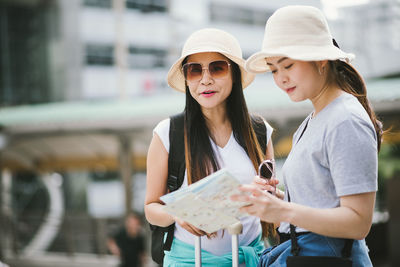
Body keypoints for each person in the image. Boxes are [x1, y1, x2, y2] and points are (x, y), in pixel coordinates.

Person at [231, 5, 383, 267]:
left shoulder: (345, 119)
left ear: (320, 58)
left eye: (287, 65)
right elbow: (318, 203)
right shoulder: (313, 119)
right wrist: (271, 200)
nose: (281, 79)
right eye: (274, 69)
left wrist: (282, 210)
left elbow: (359, 222)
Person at [144, 28, 275, 266]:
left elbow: (272, 201)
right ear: (186, 78)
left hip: (251, 259)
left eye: (217, 67)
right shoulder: (167, 132)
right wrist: (178, 215)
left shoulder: (259, 130)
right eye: (194, 70)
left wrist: (265, 195)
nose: (205, 80)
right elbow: (151, 208)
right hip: (188, 261)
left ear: (234, 73)